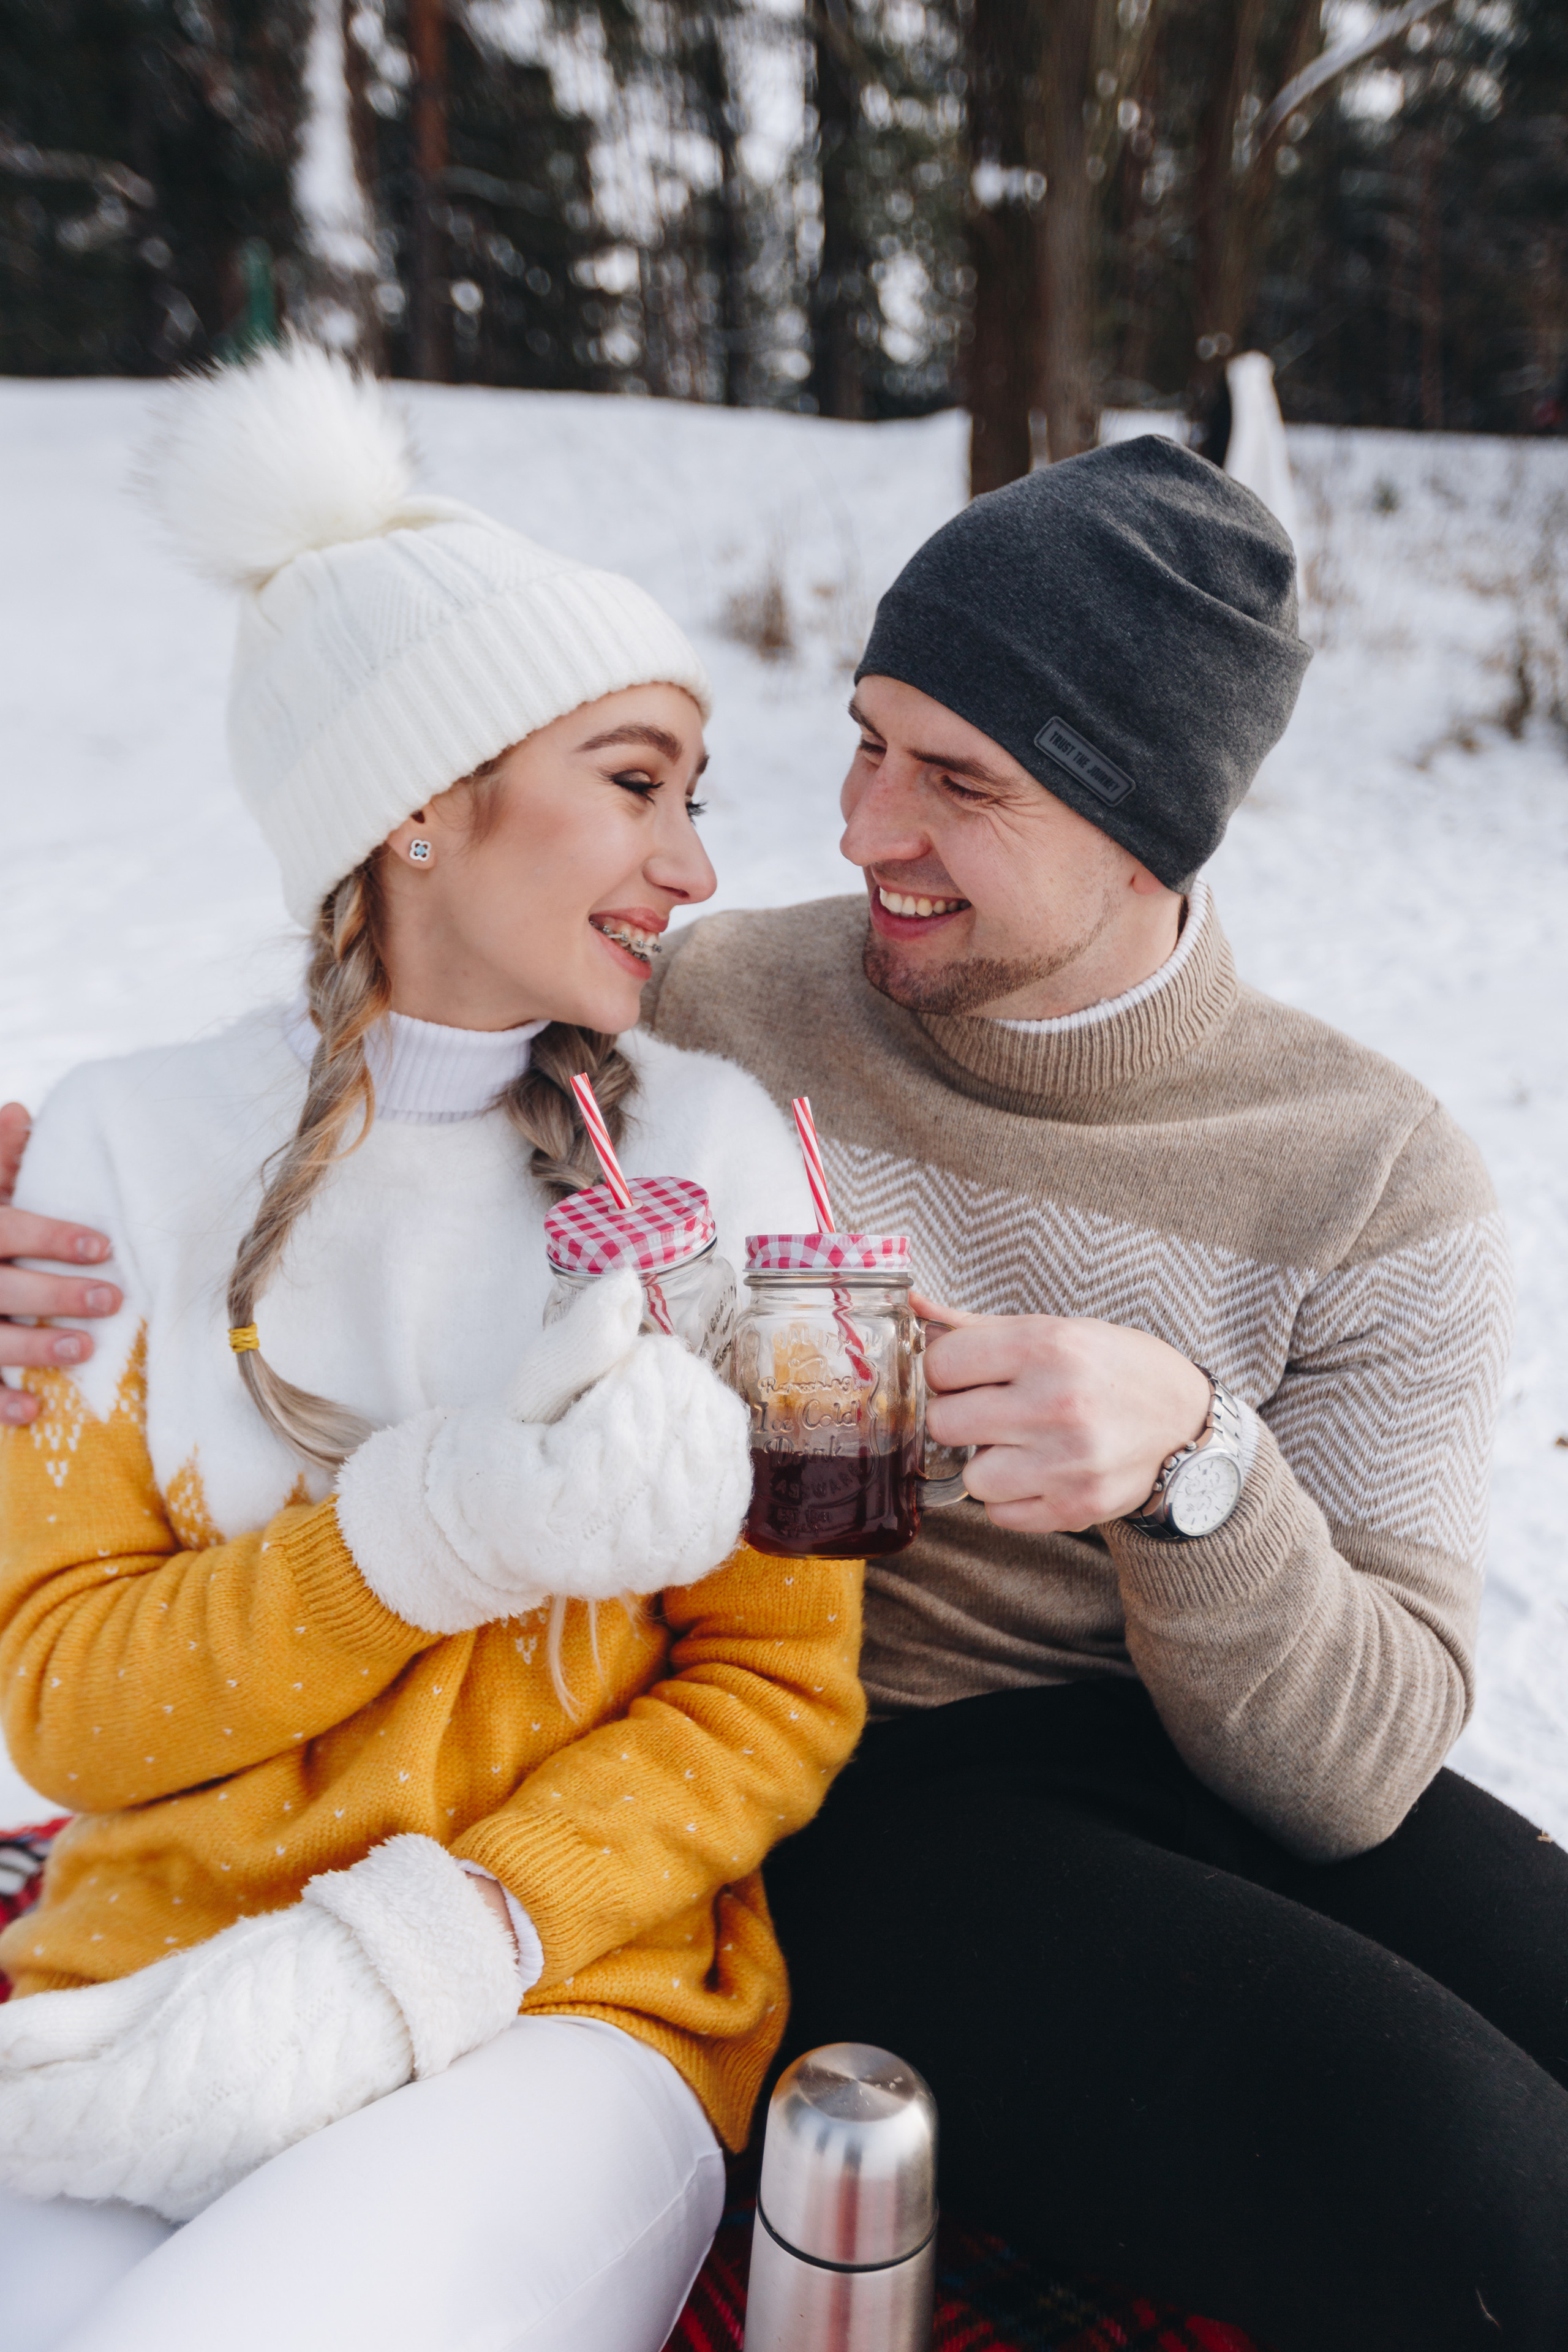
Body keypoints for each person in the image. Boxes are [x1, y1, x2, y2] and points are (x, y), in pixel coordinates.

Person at [636, 442, 1568, 2352]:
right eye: (869, 741)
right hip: (846, 1776)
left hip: (1211, 1754)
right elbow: (340, 1144)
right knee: (1488, 2212)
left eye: (962, 783)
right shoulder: (692, 1009)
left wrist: (1199, 1471)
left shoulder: (1369, 1175)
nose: (865, 827)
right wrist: (75, 1206)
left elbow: (1363, 1768)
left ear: (1153, 831)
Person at [0, 341, 864, 2352]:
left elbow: (776, 1685)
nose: (701, 865)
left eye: (694, 795)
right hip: (157, 1991)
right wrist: (421, 1542)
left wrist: (436, 1937)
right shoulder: (124, 1150)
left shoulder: (719, 1158)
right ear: (416, 810)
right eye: (635, 785)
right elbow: (61, 1698)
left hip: (567, 2004)